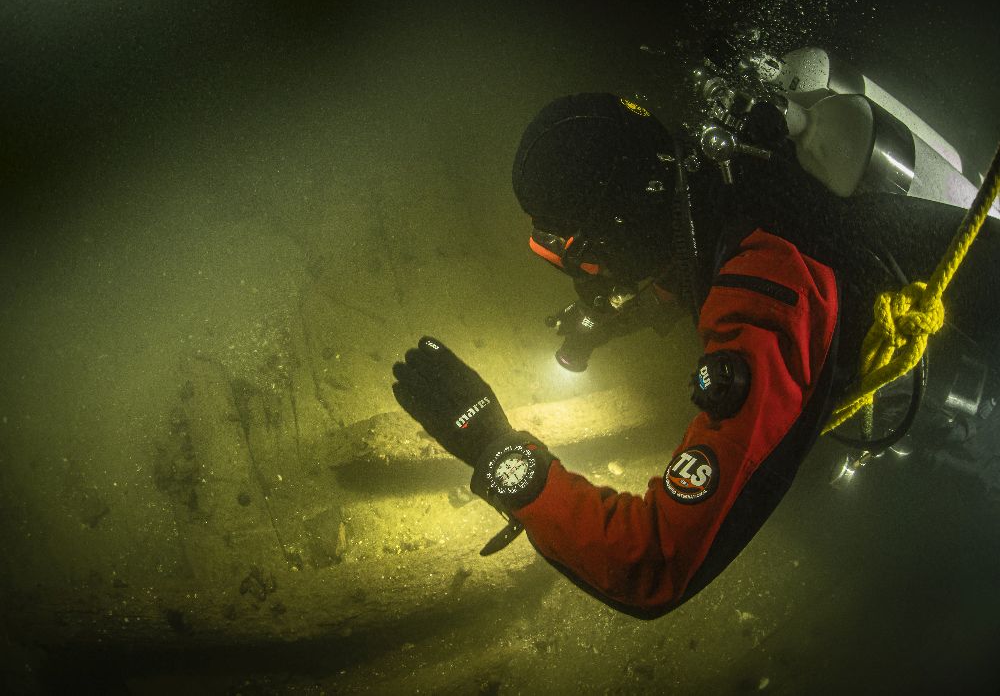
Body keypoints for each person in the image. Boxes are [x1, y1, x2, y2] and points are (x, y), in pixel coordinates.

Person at [391, 93, 1000, 617]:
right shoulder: (720, 181)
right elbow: (675, 276)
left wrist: (497, 452)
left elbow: (654, 561)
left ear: (623, 220)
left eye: (573, 247)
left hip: (944, 384)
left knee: (820, 516)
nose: (580, 271)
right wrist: (598, 326)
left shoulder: (767, 293)